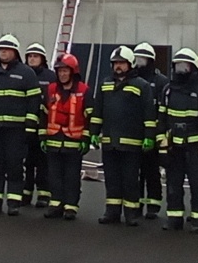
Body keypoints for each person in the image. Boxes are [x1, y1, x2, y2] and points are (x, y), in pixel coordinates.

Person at [89, 46, 157, 227]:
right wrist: (94, 133)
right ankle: (112, 212)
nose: (118, 66)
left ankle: (131, 213)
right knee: (111, 179)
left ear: (130, 64)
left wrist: (149, 137)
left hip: (132, 143)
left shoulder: (141, 85)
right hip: (110, 142)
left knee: (130, 180)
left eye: (122, 63)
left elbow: (149, 114)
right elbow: (98, 112)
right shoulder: (105, 84)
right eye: (116, 63)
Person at [0, 34, 42, 216]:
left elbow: (33, 101)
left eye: (7, 49)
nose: (3, 52)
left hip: (17, 130)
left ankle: (14, 201)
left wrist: (30, 126)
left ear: (15, 52)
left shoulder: (26, 73)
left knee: (14, 165)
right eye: (1, 49)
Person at [158, 48, 198, 233]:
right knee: (173, 183)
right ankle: (174, 218)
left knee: (197, 183)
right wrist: (161, 141)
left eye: (185, 66)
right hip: (174, 145)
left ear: (192, 67)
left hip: (195, 146)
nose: (181, 69)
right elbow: (161, 117)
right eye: (178, 65)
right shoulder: (168, 90)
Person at [42, 52, 92, 220]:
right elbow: (43, 114)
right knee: (53, 175)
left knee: (72, 176)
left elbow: (89, 117)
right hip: (54, 140)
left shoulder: (83, 91)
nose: (62, 74)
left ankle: (71, 206)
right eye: (60, 71)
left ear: (73, 72)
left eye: (65, 71)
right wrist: (42, 136)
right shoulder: (50, 89)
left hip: (73, 141)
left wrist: (86, 138)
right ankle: (55, 204)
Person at [133, 42, 169, 219]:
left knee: (152, 170)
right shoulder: (131, 80)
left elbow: (164, 110)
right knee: (134, 171)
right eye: (137, 58)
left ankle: (153, 204)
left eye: (143, 58)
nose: (139, 62)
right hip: (134, 133)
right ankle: (136, 203)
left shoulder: (161, 82)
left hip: (153, 134)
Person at [24, 42, 57, 207]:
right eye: (29, 56)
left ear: (42, 59)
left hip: (44, 125)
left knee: (44, 162)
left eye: (35, 56)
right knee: (26, 161)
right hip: (25, 125)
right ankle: (25, 193)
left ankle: (44, 194)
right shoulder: (22, 74)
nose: (32, 59)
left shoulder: (51, 77)